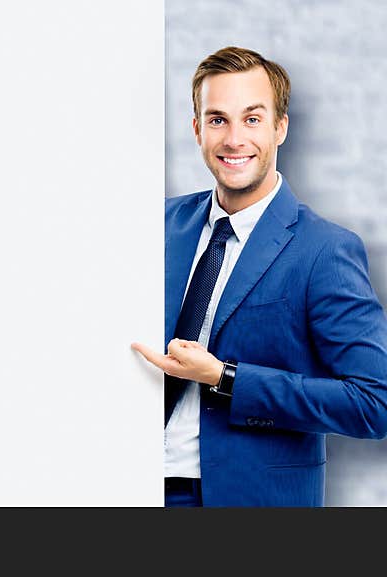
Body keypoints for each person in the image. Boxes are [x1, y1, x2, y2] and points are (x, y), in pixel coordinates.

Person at [131, 46, 387, 507]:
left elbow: (374, 404)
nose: (233, 139)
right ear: (196, 129)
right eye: (217, 119)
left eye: (251, 119)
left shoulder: (324, 250)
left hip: (248, 498)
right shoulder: (155, 227)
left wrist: (226, 378)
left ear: (280, 127)